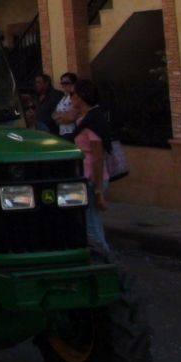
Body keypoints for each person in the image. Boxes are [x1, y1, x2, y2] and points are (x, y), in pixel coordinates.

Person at [69, 79, 111, 254]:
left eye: (73, 95)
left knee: (91, 222)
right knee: (89, 220)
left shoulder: (93, 121)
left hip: (92, 178)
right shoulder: (85, 119)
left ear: (81, 97)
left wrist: (99, 190)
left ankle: (104, 258)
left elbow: (98, 157)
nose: (71, 99)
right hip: (85, 176)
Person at [53, 72, 79, 136]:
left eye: (66, 83)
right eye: (62, 83)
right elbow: (54, 115)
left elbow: (72, 117)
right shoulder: (63, 98)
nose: (63, 85)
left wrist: (60, 116)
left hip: (73, 132)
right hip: (62, 132)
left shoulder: (76, 97)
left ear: (74, 83)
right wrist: (64, 115)